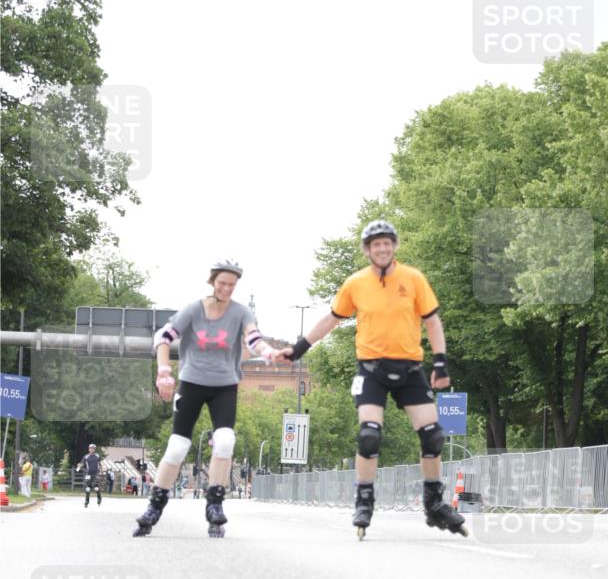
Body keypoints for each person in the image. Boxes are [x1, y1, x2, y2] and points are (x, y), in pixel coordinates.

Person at [278, 220, 467, 539]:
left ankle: (434, 504)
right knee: (369, 435)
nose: (382, 248)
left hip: (410, 368)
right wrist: (298, 348)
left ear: (394, 246)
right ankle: (364, 500)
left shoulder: (414, 279)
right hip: (371, 370)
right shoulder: (356, 283)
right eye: (376, 244)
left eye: (387, 243)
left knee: (433, 436)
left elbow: (432, 322)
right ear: (367, 250)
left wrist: (440, 363)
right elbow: (331, 319)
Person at [132, 259, 281, 537]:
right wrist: (164, 372)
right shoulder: (194, 310)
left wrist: (268, 351)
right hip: (192, 382)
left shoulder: (240, 312)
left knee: (225, 441)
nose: (226, 289)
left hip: (224, 385)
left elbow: (253, 338)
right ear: (213, 281)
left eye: (232, 285)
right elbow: (163, 337)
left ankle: (214, 504)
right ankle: (155, 505)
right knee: (177, 447)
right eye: (222, 283)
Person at [77, 443, 102, 508]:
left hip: (96, 473)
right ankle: (86, 501)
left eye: (93, 449)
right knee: (88, 488)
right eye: (90, 448)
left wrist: (101, 470)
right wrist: (79, 466)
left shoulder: (98, 456)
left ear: (94, 449)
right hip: (88, 474)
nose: (91, 450)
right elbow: (82, 463)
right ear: (89, 449)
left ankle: (99, 498)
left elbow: (99, 464)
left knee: (96, 488)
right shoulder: (86, 456)